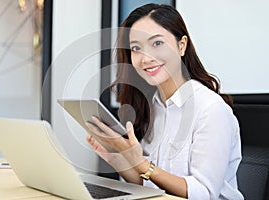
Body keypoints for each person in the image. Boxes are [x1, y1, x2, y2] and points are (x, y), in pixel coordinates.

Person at [85, 3, 244, 200]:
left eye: (157, 43)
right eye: (136, 48)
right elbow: (150, 186)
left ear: (181, 45)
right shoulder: (153, 107)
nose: (145, 58)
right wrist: (117, 159)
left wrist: (142, 164)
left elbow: (204, 193)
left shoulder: (211, 109)